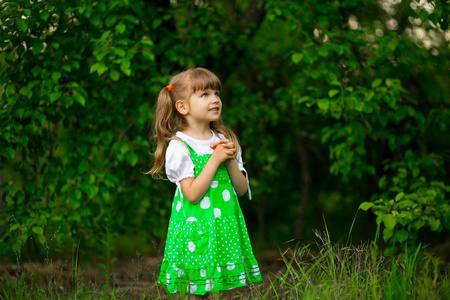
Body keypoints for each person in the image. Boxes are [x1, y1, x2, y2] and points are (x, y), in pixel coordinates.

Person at [149, 68, 262, 298]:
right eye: (205, 94)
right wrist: (215, 159)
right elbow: (191, 194)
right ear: (183, 107)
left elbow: (240, 190)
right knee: (196, 291)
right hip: (196, 231)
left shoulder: (223, 139)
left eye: (216, 93)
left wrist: (228, 159)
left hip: (223, 229)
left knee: (224, 289)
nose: (215, 99)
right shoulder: (180, 146)